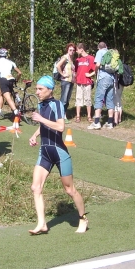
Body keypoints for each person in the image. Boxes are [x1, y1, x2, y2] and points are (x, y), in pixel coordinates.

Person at [28, 75, 88, 235]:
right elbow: (43, 125)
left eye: (40, 89)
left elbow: (60, 127)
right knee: (36, 187)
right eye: (37, 89)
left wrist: (41, 119)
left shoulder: (57, 104)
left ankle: (83, 218)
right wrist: (35, 135)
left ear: (50, 90)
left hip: (59, 152)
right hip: (45, 152)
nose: (37, 92)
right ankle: (42, 223)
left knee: (70, 190)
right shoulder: (41, 105)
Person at [88, 44, 117, 130]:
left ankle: (96, 122)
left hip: (103, 78)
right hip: (112, 79)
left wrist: (95, 71)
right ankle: (110, 122)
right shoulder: (111, 53)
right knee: (110, 100)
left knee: (99, 99)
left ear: (98, 47)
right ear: (106, 46)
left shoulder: (100, 52)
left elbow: (98, 64)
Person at [0, 48, 22, 119]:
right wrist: (16, 80)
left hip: (3, 79)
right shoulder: (10, 62)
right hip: (11, 78)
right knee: (2, 94)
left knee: (8, 97)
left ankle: (16, 111)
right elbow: (20, 73)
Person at [73, 43, 95, 123]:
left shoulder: (91, 58)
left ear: (81, 49)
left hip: (87, 82)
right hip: (79, 82)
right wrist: (74, 78)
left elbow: (96, 69)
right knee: (78, 98)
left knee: (88, 98)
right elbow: (75, 71)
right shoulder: (78, 60)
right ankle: (78, 116)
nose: (76, 51)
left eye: (77, 49)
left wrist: (90, 74)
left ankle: (89, 116)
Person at [55, 43, 76, 116]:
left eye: (73, 50)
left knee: (67, 99)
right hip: (65, 81)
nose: (72, 51)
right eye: (70, 50)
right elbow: (58, 66)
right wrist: (62, 74)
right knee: (64, 99)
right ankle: (60, 115)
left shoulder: (72, 59)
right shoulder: (65, 57)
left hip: (71, 81)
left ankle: (64, 114)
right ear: (67, 50)